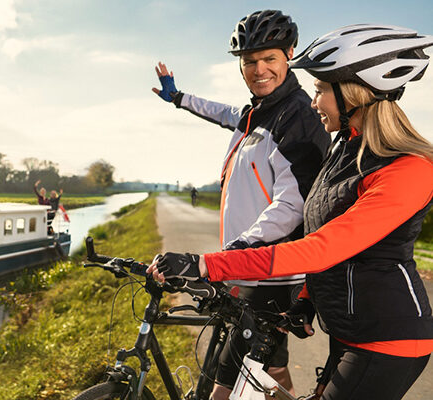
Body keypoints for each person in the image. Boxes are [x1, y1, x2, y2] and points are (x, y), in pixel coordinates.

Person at [149, 24, 433, 400]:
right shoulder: (345, 151)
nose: (313, 103)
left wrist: (208, 264)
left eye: (319, 91)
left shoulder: (409, 170)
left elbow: (325, 247)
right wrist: (304, 302)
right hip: (347, 330)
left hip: (387, 338)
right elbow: (324, 238)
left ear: (353, 95)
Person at [152, 10, 330, 398]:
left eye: (270, 59)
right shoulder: (258, 113)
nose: (259, 69)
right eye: (250, 62)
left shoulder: (298, 117)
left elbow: (292, 205)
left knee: (223, 387)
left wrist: (227, 256)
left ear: (289, 54)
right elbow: (224, 113)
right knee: (273, 368)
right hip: (247, 270)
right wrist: (179, 98)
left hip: (270, 273)